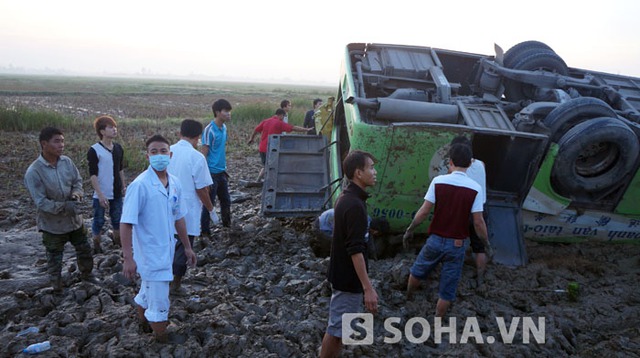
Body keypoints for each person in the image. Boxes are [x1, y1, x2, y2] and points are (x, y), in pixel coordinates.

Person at [120, 134, 197, 343]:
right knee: (160, 303)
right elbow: (126, 223)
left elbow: (179, 217)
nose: (159, 155)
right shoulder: (140, 185)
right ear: (148, 156)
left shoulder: (175, 183)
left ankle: (142, 323)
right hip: (150, 253)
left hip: (167, 249)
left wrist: (188, 247)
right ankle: (161, 338)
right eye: (154, 152)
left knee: (147, 291)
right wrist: (128, 258)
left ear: (170, 155)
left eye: (163, 151)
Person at [402, 143, 489, 318]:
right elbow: (478, 222)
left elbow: (424, 211)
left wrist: (410, 229)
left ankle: (408, 298)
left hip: (435, 240)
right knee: (447, 289)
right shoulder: (475, 189)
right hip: (457, 245)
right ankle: (437, 320)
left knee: (418, 270)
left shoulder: (438, 181)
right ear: (470, 164)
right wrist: (486, 243)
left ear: (450, 162)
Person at [320, 150, 378, 358]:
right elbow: (355, 250)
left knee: (340, 331)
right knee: (336, 331)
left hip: (344, 276)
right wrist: (368, 288)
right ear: (358, 173)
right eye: (370, 167)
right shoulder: (354, 205)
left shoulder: (350, 198)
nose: (375, 172)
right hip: (347, 280)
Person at [24, 127, 95, 292]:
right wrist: (63, 206)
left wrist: (76, 194)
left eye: (62, 141)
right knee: (55, 257)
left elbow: (77, 181)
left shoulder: (67, 162)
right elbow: (41, 202)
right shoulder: (34, 172)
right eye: (57, 141)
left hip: (74, 221)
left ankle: (88, 275)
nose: (61, 145)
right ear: (44, 144)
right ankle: (57, 287)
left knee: (84, 247)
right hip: (52, 224)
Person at [167, 119, 218, 295]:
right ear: (198, 137)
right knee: (183, 245)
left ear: (180, 133)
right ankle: (175, 285)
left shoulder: (167, 151)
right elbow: (202, 189)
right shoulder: (197, 157)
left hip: (164, 206)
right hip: (186, 209)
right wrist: (211, 209)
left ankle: (162, 281)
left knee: (167, 243)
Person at [450, 136, 491, 287]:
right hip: (480, 208)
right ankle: (480, 277)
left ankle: (453, 273)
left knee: (455, 242)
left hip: (462, 209)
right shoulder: (482, 164)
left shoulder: (453, 167)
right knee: (479, 247)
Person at [87, 115, 126, 254]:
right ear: (102, 131)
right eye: (110, 127)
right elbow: (93, 174)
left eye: (115, 127)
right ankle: (96, 246)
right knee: (98, 221)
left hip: (116, 192)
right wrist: (100, 194)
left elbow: (120, 169)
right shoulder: (94, 150)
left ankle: (118, 244)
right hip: (101, 194)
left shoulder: (118, 148)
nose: (114, 130)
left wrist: (123, 186)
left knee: (117, 219)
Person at [247, 109, 313, 182]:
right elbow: (293, 128)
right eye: (283, 116)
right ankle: (268, 181)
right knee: (271, 166)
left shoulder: (266, 121)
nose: (283, 118)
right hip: (271, 149)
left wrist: (251, 138)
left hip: (262, 148)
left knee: (266, 165)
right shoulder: (279, 123)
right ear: (281, 115)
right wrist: (306, 130)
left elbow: (256, 130)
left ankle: (258, 180)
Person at [200, 99, 233, 232]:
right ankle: (205, 232)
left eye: (229, 111)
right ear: (217, 112)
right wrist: (204, 176)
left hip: (222, 172)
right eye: (226, 111)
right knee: (209, 204)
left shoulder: (224, 128)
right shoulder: (209, 130)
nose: (229, 114)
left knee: (226, 200)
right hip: (211, 173)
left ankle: (227, 226)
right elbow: (203, 155)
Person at [312, 208, 390, 259]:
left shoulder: (367, 219)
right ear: (376, 231)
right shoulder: (359, 226)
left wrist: (374, 257)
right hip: (321, 226)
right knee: (338, 246)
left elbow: (369, 241)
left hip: (327, 220)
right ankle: (323, 257)